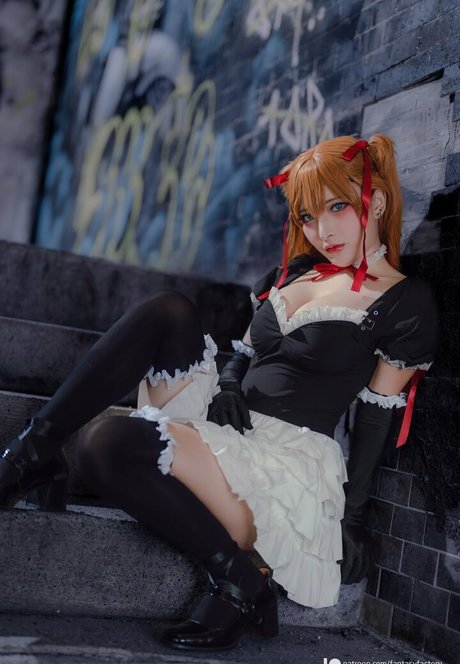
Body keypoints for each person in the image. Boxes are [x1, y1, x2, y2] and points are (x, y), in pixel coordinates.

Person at [0, 134, 438, 651]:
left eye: (337, 207)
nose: (321, 230)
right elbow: (245, 354)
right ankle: (33, 453)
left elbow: (375, 416)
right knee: (168, 310)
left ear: (377, 201)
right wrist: (228, 383)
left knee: (104, 443)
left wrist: (355, 518)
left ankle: (240, 584)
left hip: (280, 463)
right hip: (226, 419)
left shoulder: (404, 303)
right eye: (307, 216)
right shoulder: (297, 272)